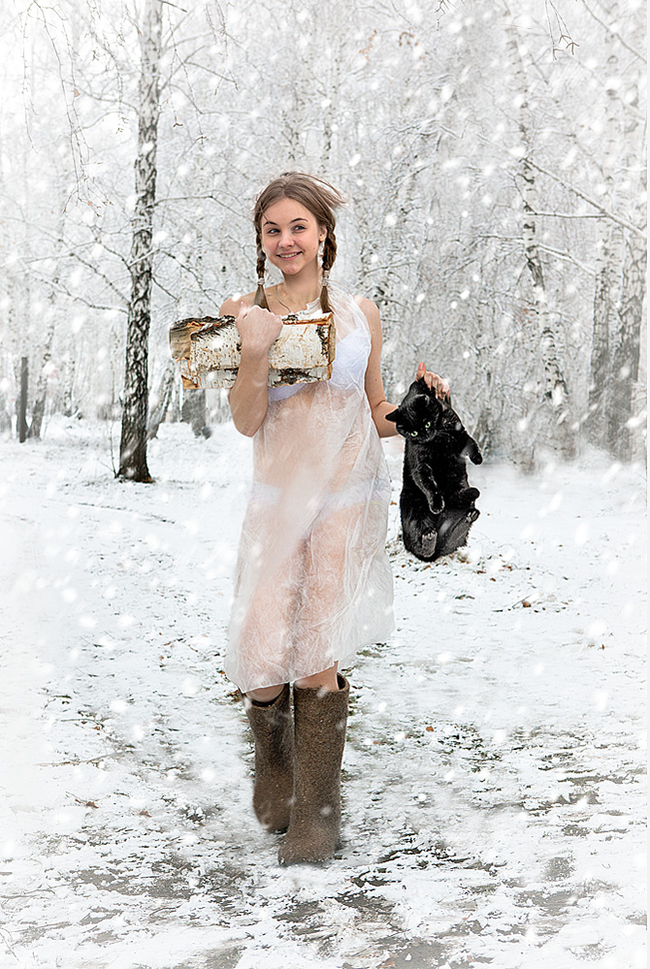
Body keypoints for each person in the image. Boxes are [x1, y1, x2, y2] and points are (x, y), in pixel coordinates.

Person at [220, 172, 449, 865]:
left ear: (323, 234)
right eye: (272, 229)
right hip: (277, 501)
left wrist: (416, 406)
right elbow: (245, 418)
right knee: (262, 651)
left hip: (346, 500)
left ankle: (317, 816)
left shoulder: (359, 313)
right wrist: (257, 351)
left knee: (319, 648)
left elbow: (372, 410)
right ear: (261, 241)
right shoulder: (246, 310)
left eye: (298, 226)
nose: (286, 240)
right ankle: (276, 770)